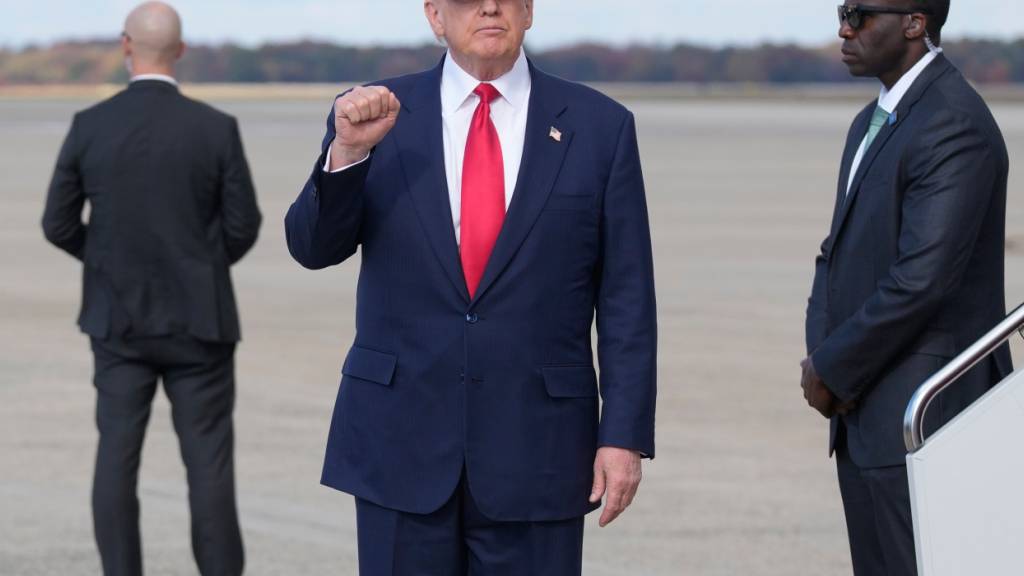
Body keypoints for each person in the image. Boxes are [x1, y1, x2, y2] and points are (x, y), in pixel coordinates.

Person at [285, 0, 657, 573]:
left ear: (528, 12)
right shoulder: (377, 111)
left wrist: (623, 435)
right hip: (400, 443)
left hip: (540, 450)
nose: (488, 6)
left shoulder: (599, 126)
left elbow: (627, 298)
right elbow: (312, 249)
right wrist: (347, 154)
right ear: (435, 16)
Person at [42, 2, 261, 574]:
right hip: (201, 323)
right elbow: (244, 226)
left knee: (116, 458)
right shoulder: (216, 128)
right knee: (209, 468)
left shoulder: (90, 125)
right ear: (181, 51)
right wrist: (202, 265)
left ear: (125, 46)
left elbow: (57, 224)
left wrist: (110, 265)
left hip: (118, 323)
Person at [801, 1, 1011, 574]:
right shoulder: (873, 120)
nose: (843, 28)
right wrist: (821, 356)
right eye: (842, 12)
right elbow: (835, 253)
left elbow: (922, 281)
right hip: (864, 417)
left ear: (915, 24)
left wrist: (833, 368)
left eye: (861, 15)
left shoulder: (952, 121)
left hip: (927, 421)